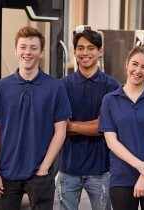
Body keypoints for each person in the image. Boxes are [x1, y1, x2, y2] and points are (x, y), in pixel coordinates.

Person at [0, 25, 72, 210]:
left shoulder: (55, 88)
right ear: (16, 51)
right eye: (23, 47)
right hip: (6, 173)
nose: (27, 52)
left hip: (40, 173)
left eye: (33, 48)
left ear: (41, 52)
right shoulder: (1, 88)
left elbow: (60, 132)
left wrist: (44, 168)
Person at [98, 44, 144, 210]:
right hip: (122, 178)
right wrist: (141, 167)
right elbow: (112, 142)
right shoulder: (110, 100)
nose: (138, 71)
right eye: (135, 64)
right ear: (127, 64)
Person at [56, 29, 121, 210]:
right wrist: (94, 125)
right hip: (68, 168)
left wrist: (71, 125)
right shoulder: (62, 86)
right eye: (81, 48)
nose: (85, 53)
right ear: (75, 51)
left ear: (100, 51)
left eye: (91, 48)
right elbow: (58, 127)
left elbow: (106, 127)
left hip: (102, 170)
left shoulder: (113, 87)